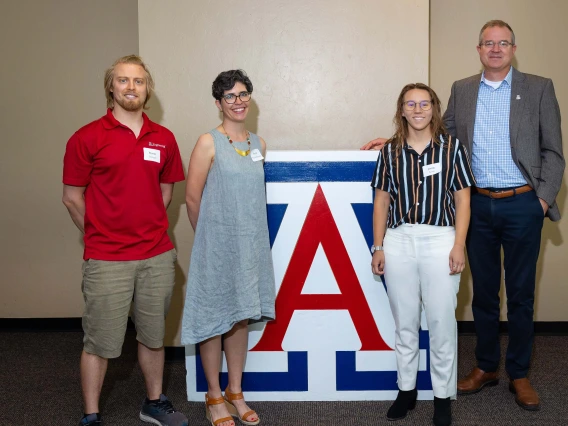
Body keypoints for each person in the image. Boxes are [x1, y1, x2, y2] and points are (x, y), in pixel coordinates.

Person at [363, 20, 564, 411]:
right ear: (478, 49)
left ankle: (519, 374)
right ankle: (487, 366)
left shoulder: (539, 87)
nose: (495, 49)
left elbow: (553, 152)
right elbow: (438, 133)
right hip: (475, 207)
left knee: (521, 295)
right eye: (488, 43)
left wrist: (540, 200)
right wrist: (391, 142)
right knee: (483, 295)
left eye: (502, 43)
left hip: (523, 203)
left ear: (513, 48)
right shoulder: (463, 89)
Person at [62, 55, 188, 426]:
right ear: (111, 87)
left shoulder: (163, 139)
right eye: (123, 80)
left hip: (156, 254)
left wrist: (143, 226)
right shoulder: (86, 137)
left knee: (152, 335)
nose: (131, 87)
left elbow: (165, 192)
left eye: (138, 81)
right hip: (106, 258)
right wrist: (102, 232)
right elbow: (72, 197)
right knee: (99, 341)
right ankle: (91, 415)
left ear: (147, 89)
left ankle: (153, 402)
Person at [371, 83, 474, 426]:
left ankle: (442, 396)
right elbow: (382, 202)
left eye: (424, 104)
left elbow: (463, 200)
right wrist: (379, 246)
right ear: (401, 110)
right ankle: (407, 391)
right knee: (405, 323)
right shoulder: (389, 151)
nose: (418, 110)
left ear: (435, 108)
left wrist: (459, 244)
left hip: (441, 240)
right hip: (399, 240)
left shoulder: (451, 148)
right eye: (410, 104)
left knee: (442, 323)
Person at [182, 70, 276, 426]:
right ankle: (214, 395)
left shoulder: (258, 144)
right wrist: (210, 238)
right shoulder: (208, 142)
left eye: (243, 94)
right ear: (218, 103)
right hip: (216, 247)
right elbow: (192, 198)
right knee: (212, 320)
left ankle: (236, 392)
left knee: (240, 316)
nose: (238, 102)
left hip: (250, 248)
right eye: (230, 96)